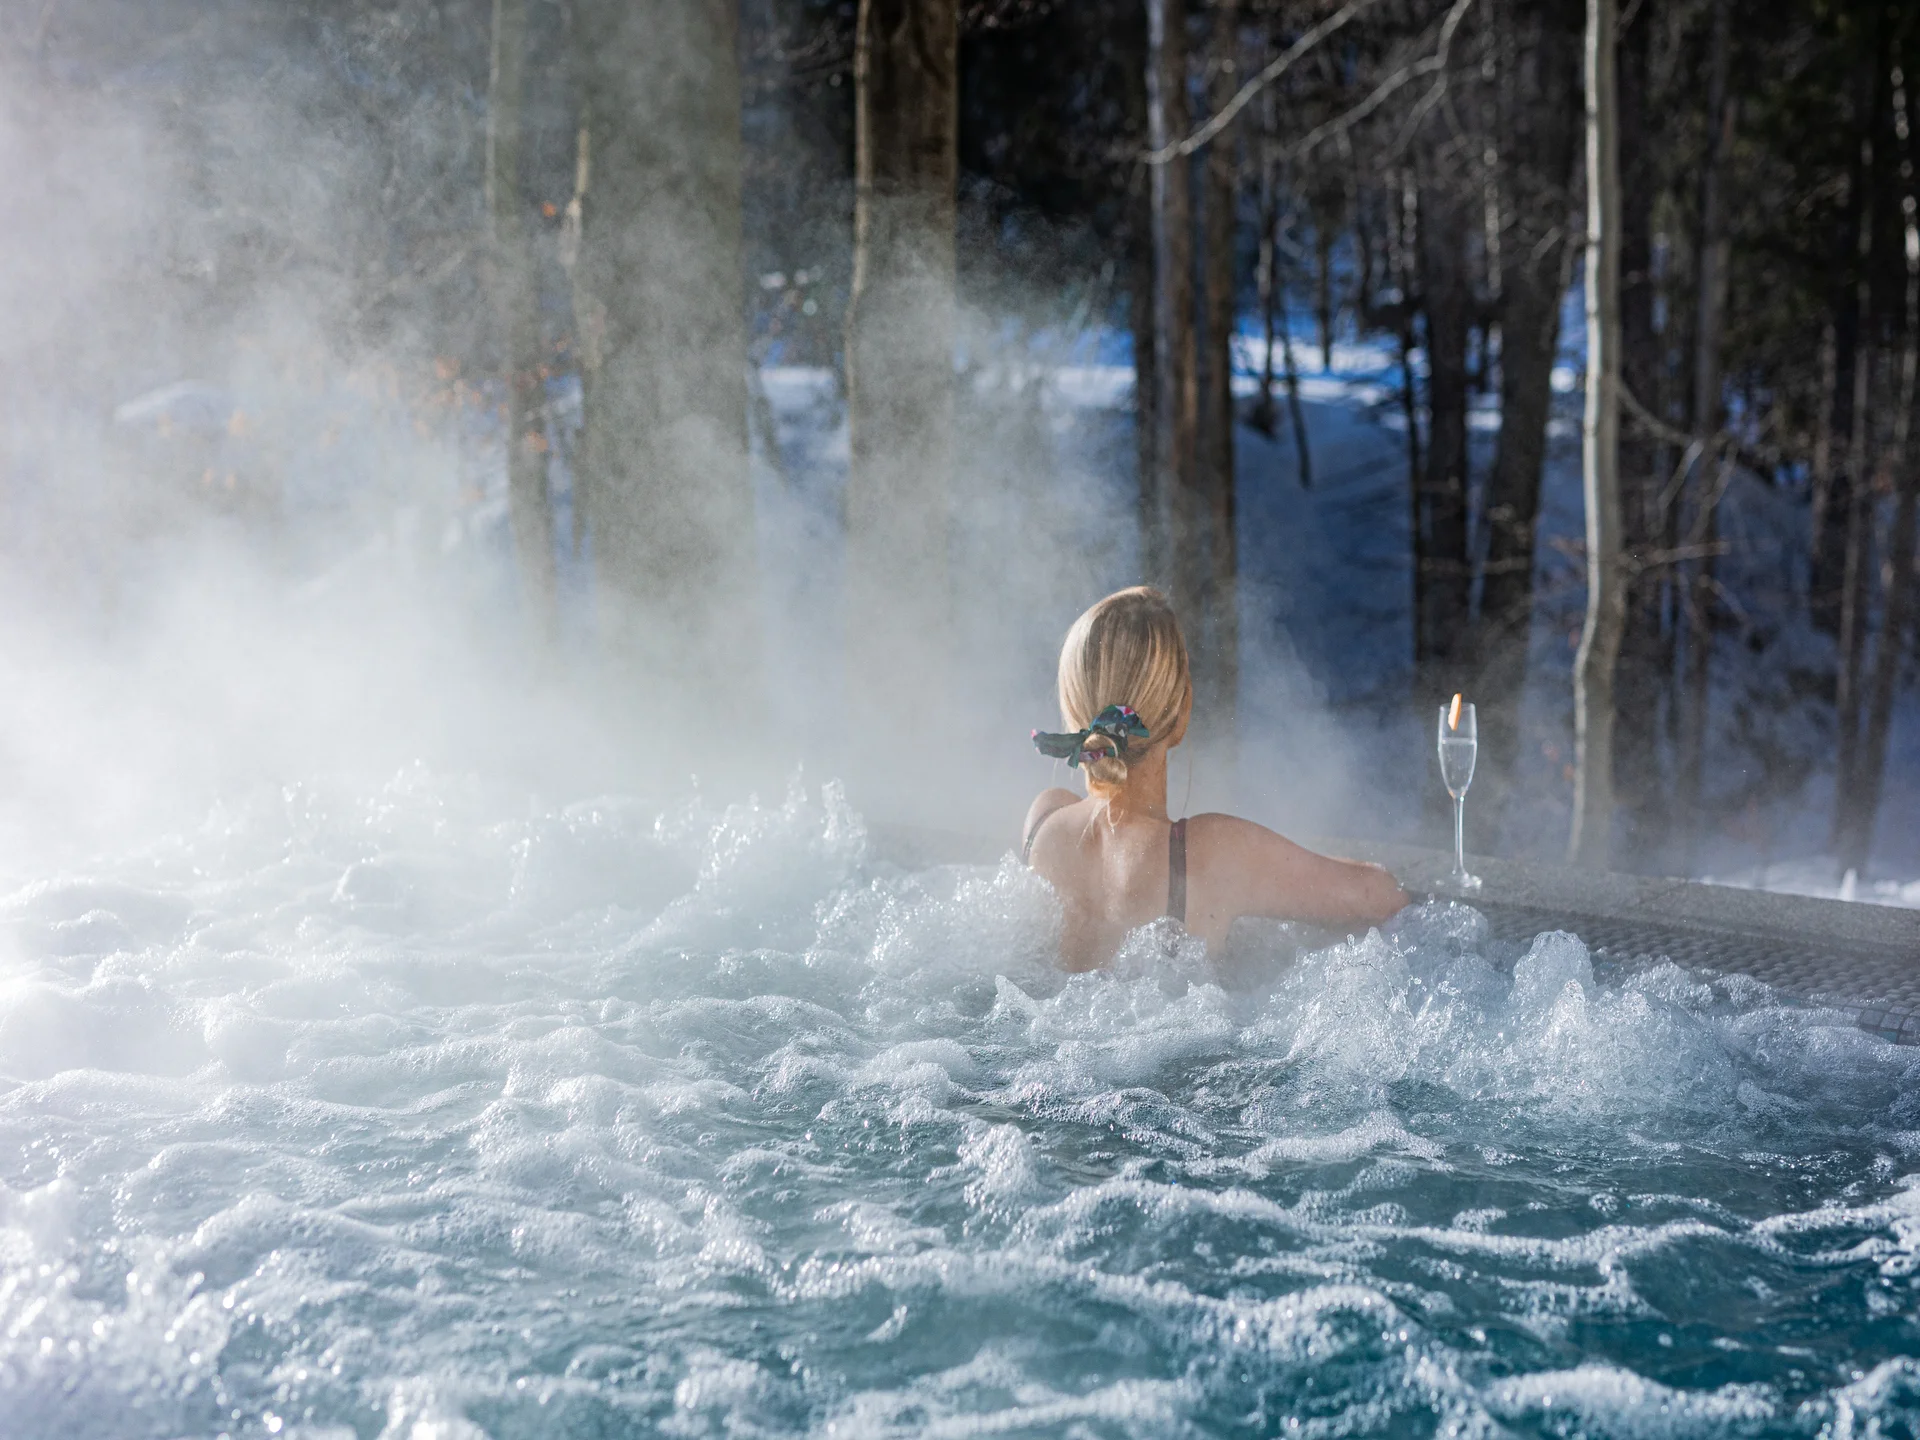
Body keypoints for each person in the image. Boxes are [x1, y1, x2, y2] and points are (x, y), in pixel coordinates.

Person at [1022, 586, 1408, 973]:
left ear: (1072, 710)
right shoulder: (1209, 853)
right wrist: (1294, 863)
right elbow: (1380, 896)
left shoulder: (1044, 822)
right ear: (1180, 711)